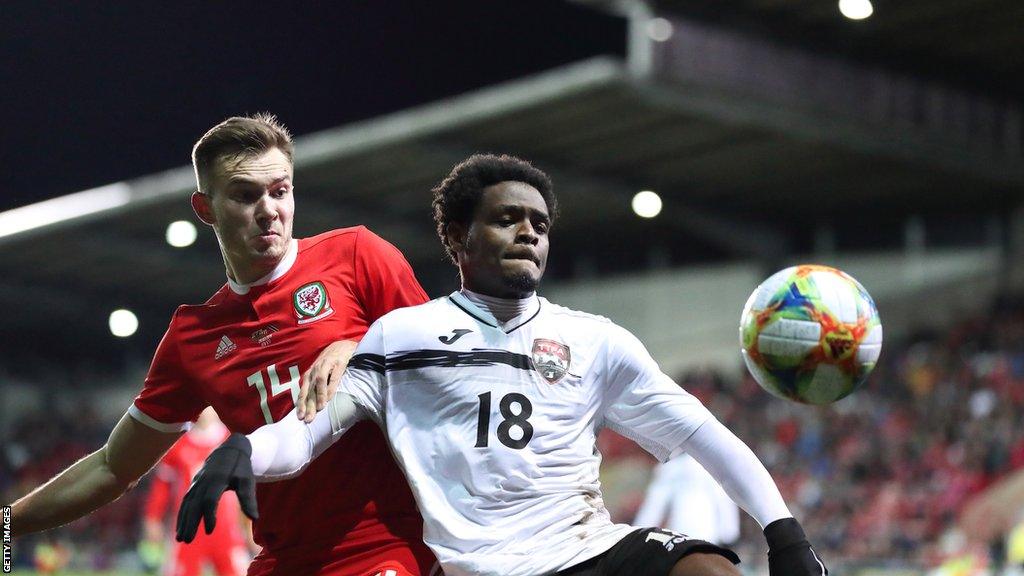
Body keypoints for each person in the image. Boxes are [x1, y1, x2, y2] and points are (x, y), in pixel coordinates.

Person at [177, 154, 828, 576]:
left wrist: (785, 534)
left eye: (540, 224)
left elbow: (702, 434)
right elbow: (310, 431)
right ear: (459, 238)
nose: (529, 233)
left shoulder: (595, 340)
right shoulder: (402, 337)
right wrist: (248, 449)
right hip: (476, 571)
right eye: (508, 219)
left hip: (585, 552)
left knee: (710, 574)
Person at [10, 114, 436, 576]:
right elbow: (113, 468)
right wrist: (6, 524)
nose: (269, 209)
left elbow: (451, 367)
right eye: (245, 195)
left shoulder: (356, 256)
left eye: (280, 190)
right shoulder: (194, 338)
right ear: (205, 208)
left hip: (388, 543)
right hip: (284, 559)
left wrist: (363, 346)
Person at [142, 408, 253, 576]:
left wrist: (253, 526)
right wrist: (153, 518)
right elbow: (162, 486)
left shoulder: (234, 440)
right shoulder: (177, 444)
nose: (203, 410)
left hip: (227, 529)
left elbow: (248, 487)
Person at [634, 454, 740, 547]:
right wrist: (729, 534)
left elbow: (654, 506)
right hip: (709, 536)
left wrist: (639, 535)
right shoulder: (712, 467)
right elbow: (723, 501)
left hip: (679, 535)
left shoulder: (670, 468)